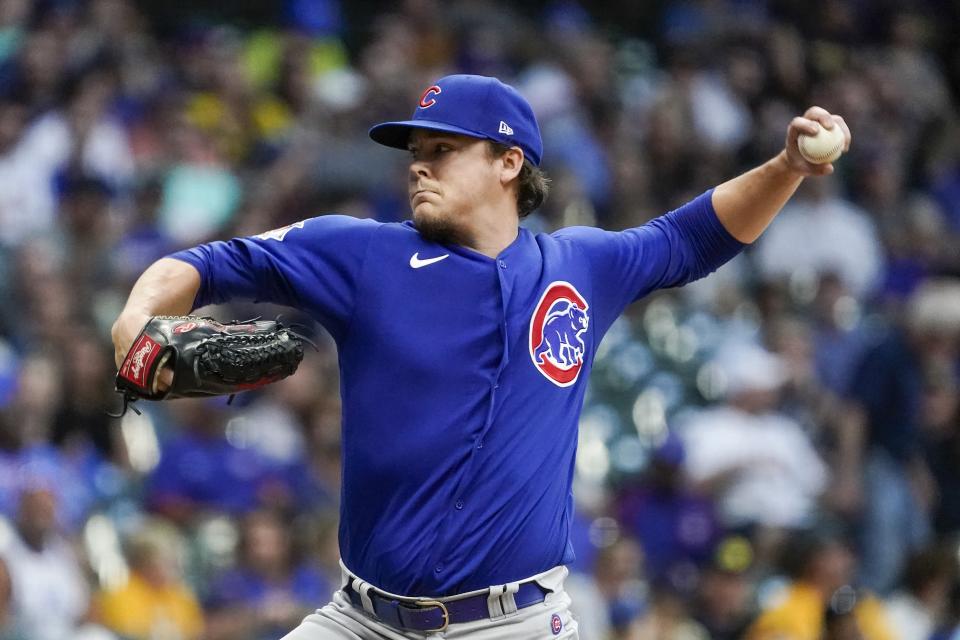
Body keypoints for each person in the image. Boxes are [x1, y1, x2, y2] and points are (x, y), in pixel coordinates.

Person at [111, 74, 850, 639]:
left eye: (442, 149)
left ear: (508, 161)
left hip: (516, 624)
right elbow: (210, 263)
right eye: (414, 152)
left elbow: (692, 240)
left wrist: (785, 166)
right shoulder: (363, 254)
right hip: (364, 620)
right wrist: (137, 321)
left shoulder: (581, 267)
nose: (417, 166)